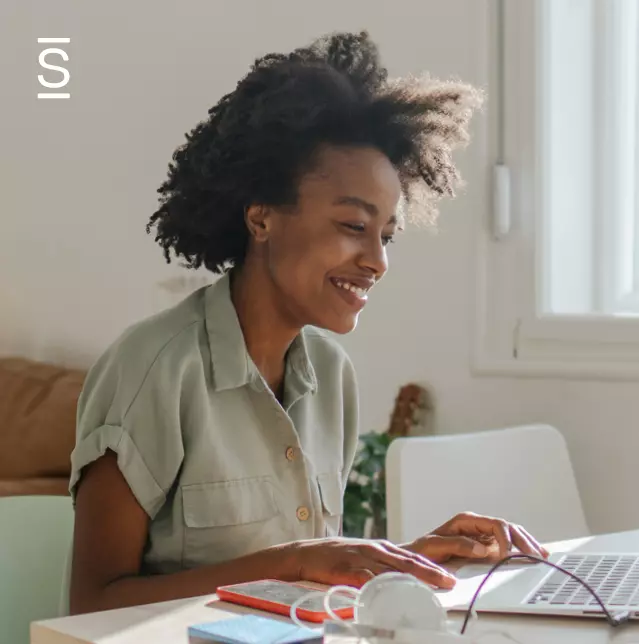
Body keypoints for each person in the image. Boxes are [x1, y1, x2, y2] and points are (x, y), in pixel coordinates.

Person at [68, 30, 548, 615]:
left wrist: (405, 559)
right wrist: (293, 559)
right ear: (261, 218)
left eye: (387, 235)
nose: (377, 260)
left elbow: (301, 582)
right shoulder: (152, 370)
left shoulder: (329, 374)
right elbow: (90, 605)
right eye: (353, 226)